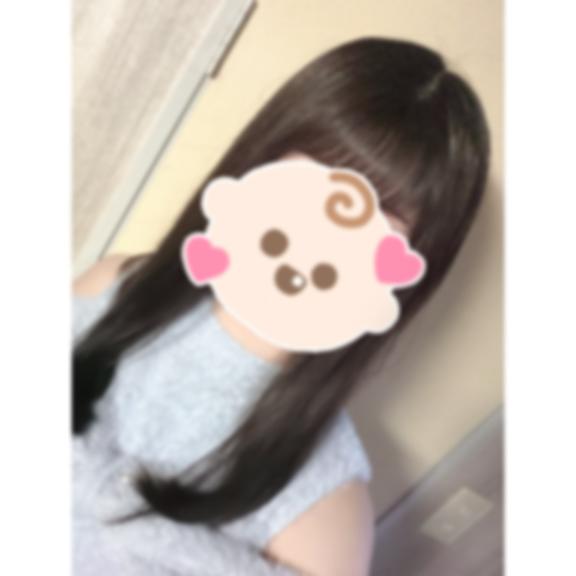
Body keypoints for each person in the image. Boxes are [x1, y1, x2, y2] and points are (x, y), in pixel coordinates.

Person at [73, 37, 491, 576]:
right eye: (308, 181)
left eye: (377, 218)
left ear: (405, 269)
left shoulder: (324, 510)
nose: (317, 234)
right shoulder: (115, 283)